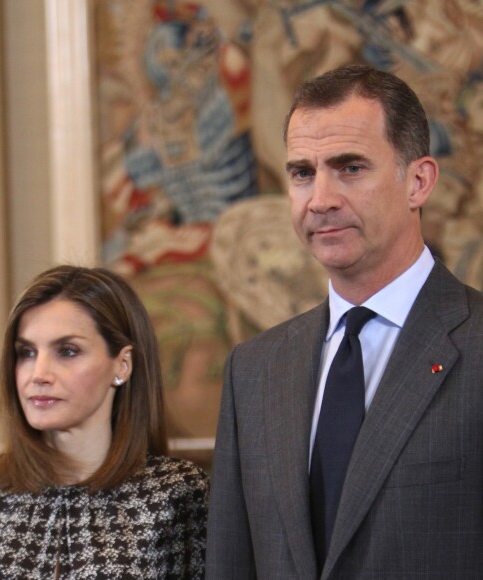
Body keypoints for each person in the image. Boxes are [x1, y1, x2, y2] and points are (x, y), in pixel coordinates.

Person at [205, 65, 483, 579]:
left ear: (418, 181)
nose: (321, 199)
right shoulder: (254, 370)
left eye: (350, 167)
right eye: (302, 173)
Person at [0, 265, 209, 579]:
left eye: (67, 351)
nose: (38, 374)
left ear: (122, 365)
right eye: (26, 352)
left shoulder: (175, 491)